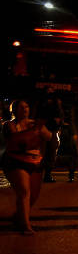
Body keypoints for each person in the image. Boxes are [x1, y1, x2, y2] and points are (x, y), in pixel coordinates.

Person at [1, 100, 52, 234]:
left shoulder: (34, 123)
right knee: (24, 191)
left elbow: (48, 137)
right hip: (16, 160)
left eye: (27, 106)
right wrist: (35, 130)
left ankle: (19, 216)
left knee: (33, 196)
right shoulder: (9, 125)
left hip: (35, 161)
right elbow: (16, 140)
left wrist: (41, 128)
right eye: (21, 107)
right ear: (15, 110)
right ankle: (25, 225)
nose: (25, 109)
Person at [38, 89, 64, 183]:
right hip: (46, 129)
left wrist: (59, 123)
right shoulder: (43, 103)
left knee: (51, 154)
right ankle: (42, 174)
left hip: (53, 130)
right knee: (44, 153)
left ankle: (47, 175)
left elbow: (61, 116)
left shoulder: (56, 103)